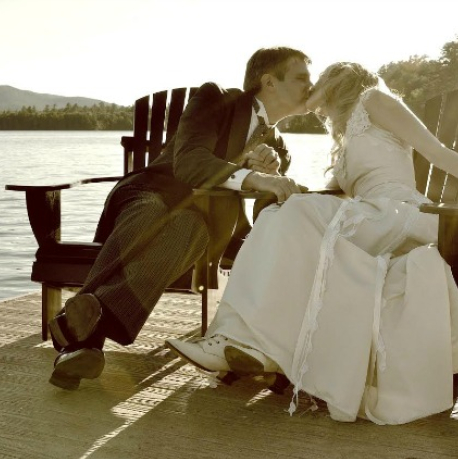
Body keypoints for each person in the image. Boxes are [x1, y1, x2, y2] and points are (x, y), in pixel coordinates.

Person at [165, 62, 458, 424]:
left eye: (314, 82)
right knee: (281, 215)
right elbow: (330, 194)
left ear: (337, 80)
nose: (310, 92)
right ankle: (250, 344)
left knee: (290, 214)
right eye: (302, 80)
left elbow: (439, 153)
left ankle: (245, 341)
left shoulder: (375, 101)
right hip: (368, 219)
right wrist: (275, 176)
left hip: (406, 217)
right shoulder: (345, 135)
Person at [47, 46, 313, 390]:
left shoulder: (278, 147)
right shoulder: (215, 99)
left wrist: (269, 182)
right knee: (155, 212)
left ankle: (80, 333)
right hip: (148, 193)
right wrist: (255, 177)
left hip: (202, 226)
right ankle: (83, 334)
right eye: (302, 77)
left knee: (189, 227)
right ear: (269, 82)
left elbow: (266, 211)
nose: (311, 85)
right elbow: (189, 161)